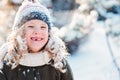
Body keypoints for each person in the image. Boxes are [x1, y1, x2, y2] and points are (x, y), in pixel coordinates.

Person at [0, 0, 73, 80]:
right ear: (20, 32)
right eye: (31, 26)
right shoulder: (7, 63)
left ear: (49, 33)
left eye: (43, 27)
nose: (37, 32)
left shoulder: (58, 63)